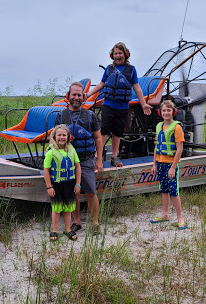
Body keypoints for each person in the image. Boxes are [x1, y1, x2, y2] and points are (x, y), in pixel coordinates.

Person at [87, 42, 152, 167]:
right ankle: (97, 156)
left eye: (120, 53)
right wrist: (88, 94)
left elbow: (137, 87)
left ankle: (114, 157)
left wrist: (143, 104)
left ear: (126, 55)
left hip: (122, 107)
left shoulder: (131, 70)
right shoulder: (109, 68)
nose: (118, 56)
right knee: (104, 131)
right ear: (112, 56)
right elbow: (101, 84)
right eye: (116, 53)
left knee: (118, 132)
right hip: (108, 105)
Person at [55, 81, 103, 234]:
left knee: (90, 192)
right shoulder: (60, 116)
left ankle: (95, 223)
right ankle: (76, 222)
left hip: (86, 159)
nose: (76, 97)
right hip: (67, 161)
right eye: (74, 94)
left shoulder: (91, 115)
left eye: (79, 95)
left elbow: (98, 139)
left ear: (83, 97)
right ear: (68, 96)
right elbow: (54, 139)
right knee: (71, 193)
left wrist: (99, 159)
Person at [150, 100, 186, 229]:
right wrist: (154, 164)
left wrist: (172, 168)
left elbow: (180, 149)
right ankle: (165, 214)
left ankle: (180, 217)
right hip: (160, 163)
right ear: (160, 112)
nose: (166, 113)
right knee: (164, 189)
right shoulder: (159, 126)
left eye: (168, 110)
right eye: (164, 110)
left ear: (173, 112)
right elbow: (156, 146)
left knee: (174, 191)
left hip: (171, 165)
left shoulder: (177, 127)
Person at [44, 124, 82, 241]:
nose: (61, 137)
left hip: (70, 184)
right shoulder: (51, 152)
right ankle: (54, 230)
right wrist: (49, 187)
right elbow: (46, 170)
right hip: (56, 184)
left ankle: (67, 229)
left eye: (64, 135)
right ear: (54, 137)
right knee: (56, 208)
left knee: (68, 208)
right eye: (59, 135)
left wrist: (78, 184)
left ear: (68, 137)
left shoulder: (72, 149)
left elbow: (77, 167)